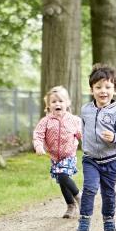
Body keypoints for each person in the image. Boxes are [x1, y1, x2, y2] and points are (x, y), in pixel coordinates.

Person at [77, 63, 116, 231]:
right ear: (92, 89)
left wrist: (114, 137)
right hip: (90, 159)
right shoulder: (86, 110)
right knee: (90, 188)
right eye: (98, 87)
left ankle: (108, 219)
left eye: (108, 87)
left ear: (115, 90)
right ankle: (84, 221)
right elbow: (82, 129)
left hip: (110, 160)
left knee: (108, 192)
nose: (103, 91)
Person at [33, 86, 83, 219]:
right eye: (54, 102)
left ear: (68, 103)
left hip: (69, 155)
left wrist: (90, 146)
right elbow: (38, 135)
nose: (57, 104)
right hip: (55, 157)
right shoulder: (45, 122)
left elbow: (81, 135)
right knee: (62, 181)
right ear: (48, 105)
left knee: (62, 176)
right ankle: (71, 206)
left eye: (61, 101)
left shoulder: (74, 120)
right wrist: (38, 146)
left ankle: (79, 196)